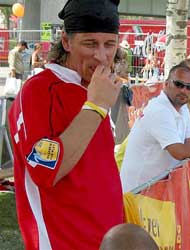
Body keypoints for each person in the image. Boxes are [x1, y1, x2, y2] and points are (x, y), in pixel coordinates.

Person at [7, 0, 124, 249]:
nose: (101, 56)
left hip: (104, 239)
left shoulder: (92, 88)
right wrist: (96, 107)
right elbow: (45, 169)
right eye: (90, 44)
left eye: (109, 44)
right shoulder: (40, 90)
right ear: (66, 42)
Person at [120, 64, 190, 192]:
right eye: (179, 84)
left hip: (152, 192)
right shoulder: (160, 109)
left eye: (189, 87)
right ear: (166, 84)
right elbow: (179, 152)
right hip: (135, 194)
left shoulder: (182, 107)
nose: (184, 90)